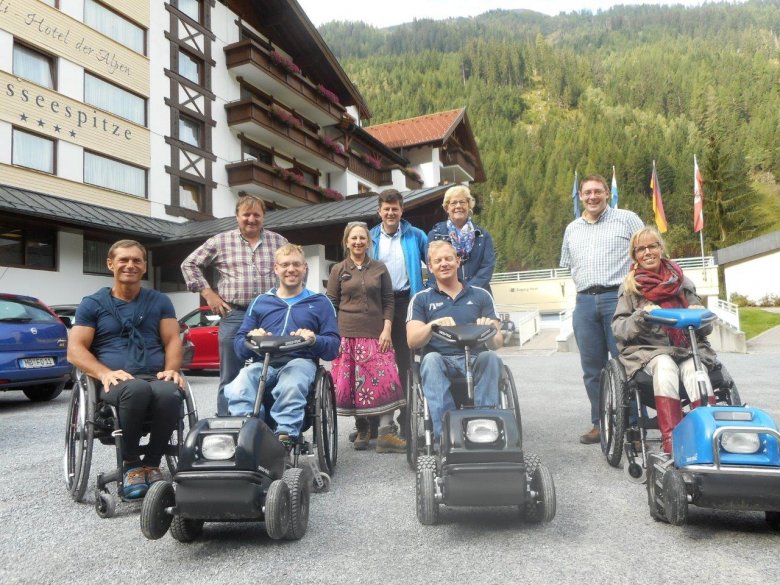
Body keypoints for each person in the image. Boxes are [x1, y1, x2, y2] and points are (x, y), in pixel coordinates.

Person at [68, 240, 184, 500]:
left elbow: (172, 340)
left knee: (169, 392)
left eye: (137, 260)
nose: (130, 265)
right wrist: (104, 373)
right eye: (123, 260)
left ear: (144, 267)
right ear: (111, 264)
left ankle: (152, 464)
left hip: (154, 375)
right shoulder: (93, 303)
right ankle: (130, 465)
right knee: (136, 389)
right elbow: (75, 349)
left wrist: (172, 370)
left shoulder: (160, 301)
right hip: (113, 382)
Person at [612, 227, 717, 454]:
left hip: (686, 347)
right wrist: (641, 316)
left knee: (694, 368)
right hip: (649, 350)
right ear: (634, 255)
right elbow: (619, 329)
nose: (647, 252)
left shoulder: (683, 282)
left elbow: (706, 328)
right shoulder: (630, 288)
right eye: (641, 249)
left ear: (661, 249)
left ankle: (706, 436)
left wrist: (701, 315)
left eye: (652, 246)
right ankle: (671, 440)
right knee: (665, 364)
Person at [224, 244, 340, 448]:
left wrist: (314, 339)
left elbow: (333, 347)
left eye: (296, 264)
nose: (291, 269)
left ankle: (285, 437)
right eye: (285, 265)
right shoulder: (261, 302)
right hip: (263, 363)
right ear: (276, 268)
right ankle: (247, 433)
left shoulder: (320, 302)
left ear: (305, 268)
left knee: (292, 382)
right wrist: (251, 339)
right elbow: (239, 346)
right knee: (240, 382)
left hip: (300, 361)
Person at [181, 195, 287, 416]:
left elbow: (294, 268)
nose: (251, 219)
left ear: (263, 217)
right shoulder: (220, 241)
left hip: (270, 315)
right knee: (230, 374)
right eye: (246, 214)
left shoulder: (279, 242)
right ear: (237, 217)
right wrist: (207, 292)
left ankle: (267, 426)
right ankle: (226, 427)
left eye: (256, 214)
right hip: (235, 314)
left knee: (270, 370)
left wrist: (287, 301)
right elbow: (189, 264)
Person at [560, 174, 644, 445]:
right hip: (584, 301)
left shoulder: (627, 219)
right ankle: (601, 422)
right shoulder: (572, 228)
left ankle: (630, 424)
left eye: (598, 191)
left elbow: (646, 253)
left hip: (617, 298)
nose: (592, 196)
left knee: (625, 361)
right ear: (580, 196)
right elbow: (568, 264)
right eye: (587, 192)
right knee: (592, 368)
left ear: (607, 193)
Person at [407, 240, 503, 440]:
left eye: (448, 258)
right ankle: (446, 435)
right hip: (441, 360)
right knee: (431, 360)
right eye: (438, 260)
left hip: (475, 358)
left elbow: (497, 344)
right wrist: (432, 325)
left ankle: (484, 428)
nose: (444, 264)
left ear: (458, 261)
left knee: (491, 358)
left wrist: (490, 329)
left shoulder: (481, 295)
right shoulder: (421, 299)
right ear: (430, 267)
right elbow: (412, 341)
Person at [327, 222, 407, 453]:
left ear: (368, 241)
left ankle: (385, 433)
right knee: (353, 384)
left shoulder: (379, 268)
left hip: (376, 333)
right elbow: (331, 303)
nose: (358, 242)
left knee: (386, 381)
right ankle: (362, 429)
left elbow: (389, 301)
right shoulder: (338, 269)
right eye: (354, 238)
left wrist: (387, 329)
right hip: (347, 334)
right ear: (347, 241)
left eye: (362, 238)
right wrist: (334, 334)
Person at [365, 188, 428, 440]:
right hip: (376, 304)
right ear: (379, 211)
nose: (391, 213)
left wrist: (430, 292)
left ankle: (406, 420)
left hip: (406, 301)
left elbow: (432, 262)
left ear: (402, 210)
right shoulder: (370, 238)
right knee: (375, 362)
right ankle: (375, 424)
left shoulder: (416, 236)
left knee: (405, 362)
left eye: (395, 208)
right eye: (386, 209)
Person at [427, 185, 496, 293]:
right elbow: (432, 268)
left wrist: (467, 290)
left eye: (462, 202)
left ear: (469, 206)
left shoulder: (482, 235)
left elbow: (487, 267)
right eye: (453, 203)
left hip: (478, 295)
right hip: (447, 296)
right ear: (447, 208)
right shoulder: (435, 235)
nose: (458, 206)